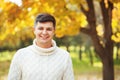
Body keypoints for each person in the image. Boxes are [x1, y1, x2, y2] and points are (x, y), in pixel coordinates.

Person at [8, 13, 74, 80]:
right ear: (34, 30)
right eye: (41, 28)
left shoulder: (64, 57)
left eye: (49, 29)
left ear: (54, 31)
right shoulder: (20, 55)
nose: (44, 32)